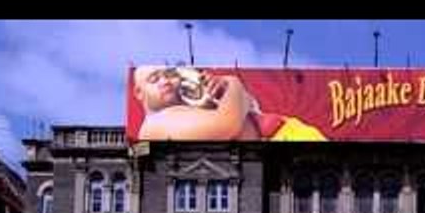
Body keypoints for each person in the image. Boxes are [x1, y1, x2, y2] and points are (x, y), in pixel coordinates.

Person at [132, 66, 326, 142]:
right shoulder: (153, 126)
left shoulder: (187, 106)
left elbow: (248, 105)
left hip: (293, 134)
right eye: (154, 79)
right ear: (138, 92)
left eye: (169, 75)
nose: (165, 82)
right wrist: (232, 83)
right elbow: (228, 125)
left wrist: (213, 95)